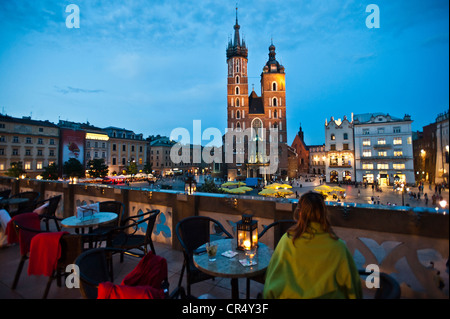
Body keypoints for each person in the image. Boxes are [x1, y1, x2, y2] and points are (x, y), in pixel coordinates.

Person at [263, 191, 362, 299]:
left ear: (300, 213)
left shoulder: (288, 241)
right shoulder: (338, 247)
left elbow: (271, 284)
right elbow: (353, 289)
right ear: (324, 213)